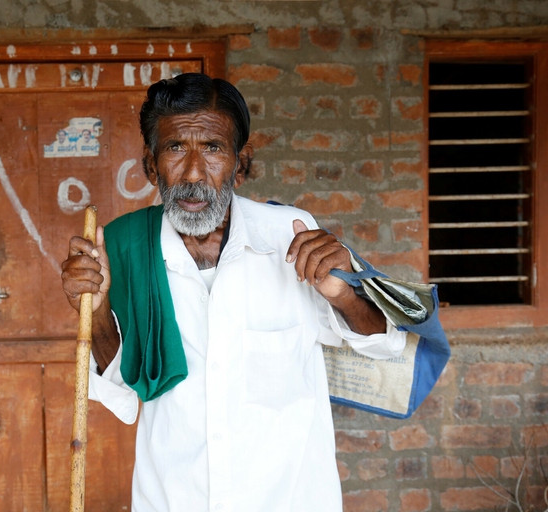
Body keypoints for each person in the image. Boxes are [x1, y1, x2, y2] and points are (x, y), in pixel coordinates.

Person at [60, 73, 407, 511]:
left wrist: (344, 295)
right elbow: (126, 391)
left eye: (212, 148)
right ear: (151, 166)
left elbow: (385, 344)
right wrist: (93, 308)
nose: (193, 173)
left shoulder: (292, 235)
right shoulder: (125, 248)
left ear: (240, 166)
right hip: (174, 498)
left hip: (289, 499)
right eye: (174, 148)